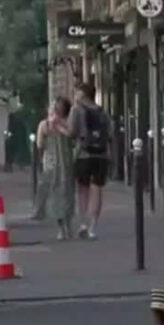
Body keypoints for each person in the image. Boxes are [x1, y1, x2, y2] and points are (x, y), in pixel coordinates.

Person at [68, 82, 113, 240]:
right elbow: (110, 133)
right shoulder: (102, 112)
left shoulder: (76, 109)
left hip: (83, 154)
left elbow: (71, 132)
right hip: (101, 155)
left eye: (77, 93)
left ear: (83, 95)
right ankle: (93, 226)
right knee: (97, 190)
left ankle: (83, 224)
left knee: (83, 190)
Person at [34, 97, 77, 240]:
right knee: (60, 194)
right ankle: (63, 227)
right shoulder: (45, 125)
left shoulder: (63, 124)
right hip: (58, 163)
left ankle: (66, 227)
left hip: (60, 163)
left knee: (64, 194)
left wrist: (58, 126)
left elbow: (72, 135)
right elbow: (40, 144)